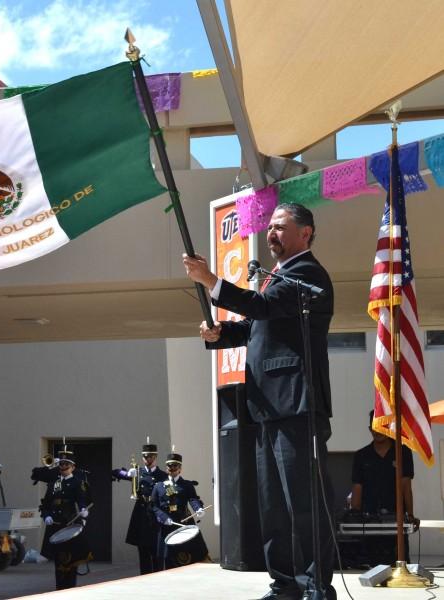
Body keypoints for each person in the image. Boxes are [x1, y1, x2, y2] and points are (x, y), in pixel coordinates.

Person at [183, 203, 336, 600]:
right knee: (271, 505)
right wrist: (220, 333)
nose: (271, 233)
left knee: (302, 502)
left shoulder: (307, 275)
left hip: (298, 404)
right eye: (269, 227)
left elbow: (264, 308)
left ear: (306, 233)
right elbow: (256, 326)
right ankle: (283, 583)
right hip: (266, 405)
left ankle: (316, 585)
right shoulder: (278, 278)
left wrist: (211, 281)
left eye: (281, 227)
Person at [350, 410, 417, 566]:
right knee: (371, 569)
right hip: (370, 521)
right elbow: (357, 487)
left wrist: (411, 515)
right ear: (369, 429)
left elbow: (406, 486)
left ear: (390, 427)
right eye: (374, 427)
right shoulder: (361, 456)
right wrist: (354, 515)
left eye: (382, 426)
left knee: (399, 567)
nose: (377, 431)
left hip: (396, 521)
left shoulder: (403, 452)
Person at [38, 444, 91, 590]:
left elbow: (82, 499)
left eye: (66, 464)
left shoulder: (77, 482)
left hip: (70, 523)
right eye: (61, 464)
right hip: (56, 525)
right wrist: (46, 515)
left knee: (70, 559)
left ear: (73, 467)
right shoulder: (53, 483)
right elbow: (46, 504)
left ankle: (69, 589)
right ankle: (59, 590)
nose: (63, 466)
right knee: (58, 561)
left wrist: (83, 510)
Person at [112, 443, 167, 574]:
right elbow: (114, 472)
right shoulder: (138, 472)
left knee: (157, 552)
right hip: (141, 514)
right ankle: (145, 579)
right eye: (145, 457)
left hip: (156, 515)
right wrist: (125, 473)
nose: (148, 459)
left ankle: (159, 580)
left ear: (155, 457)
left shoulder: (163, 475)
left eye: (150, 457)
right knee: (143, 552)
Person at [151, 451, 208, 570]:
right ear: (166, 468)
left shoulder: (187, 485)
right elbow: (153, 506)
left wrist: (198, 508)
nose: (172, 468)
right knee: (167, 559)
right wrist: (163, 517)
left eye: (175, 466)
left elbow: (193, 499)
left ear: (180, 468)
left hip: (183, 524)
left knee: (189, 557)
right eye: (169, 466)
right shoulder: (159, 486)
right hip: (166, 526)